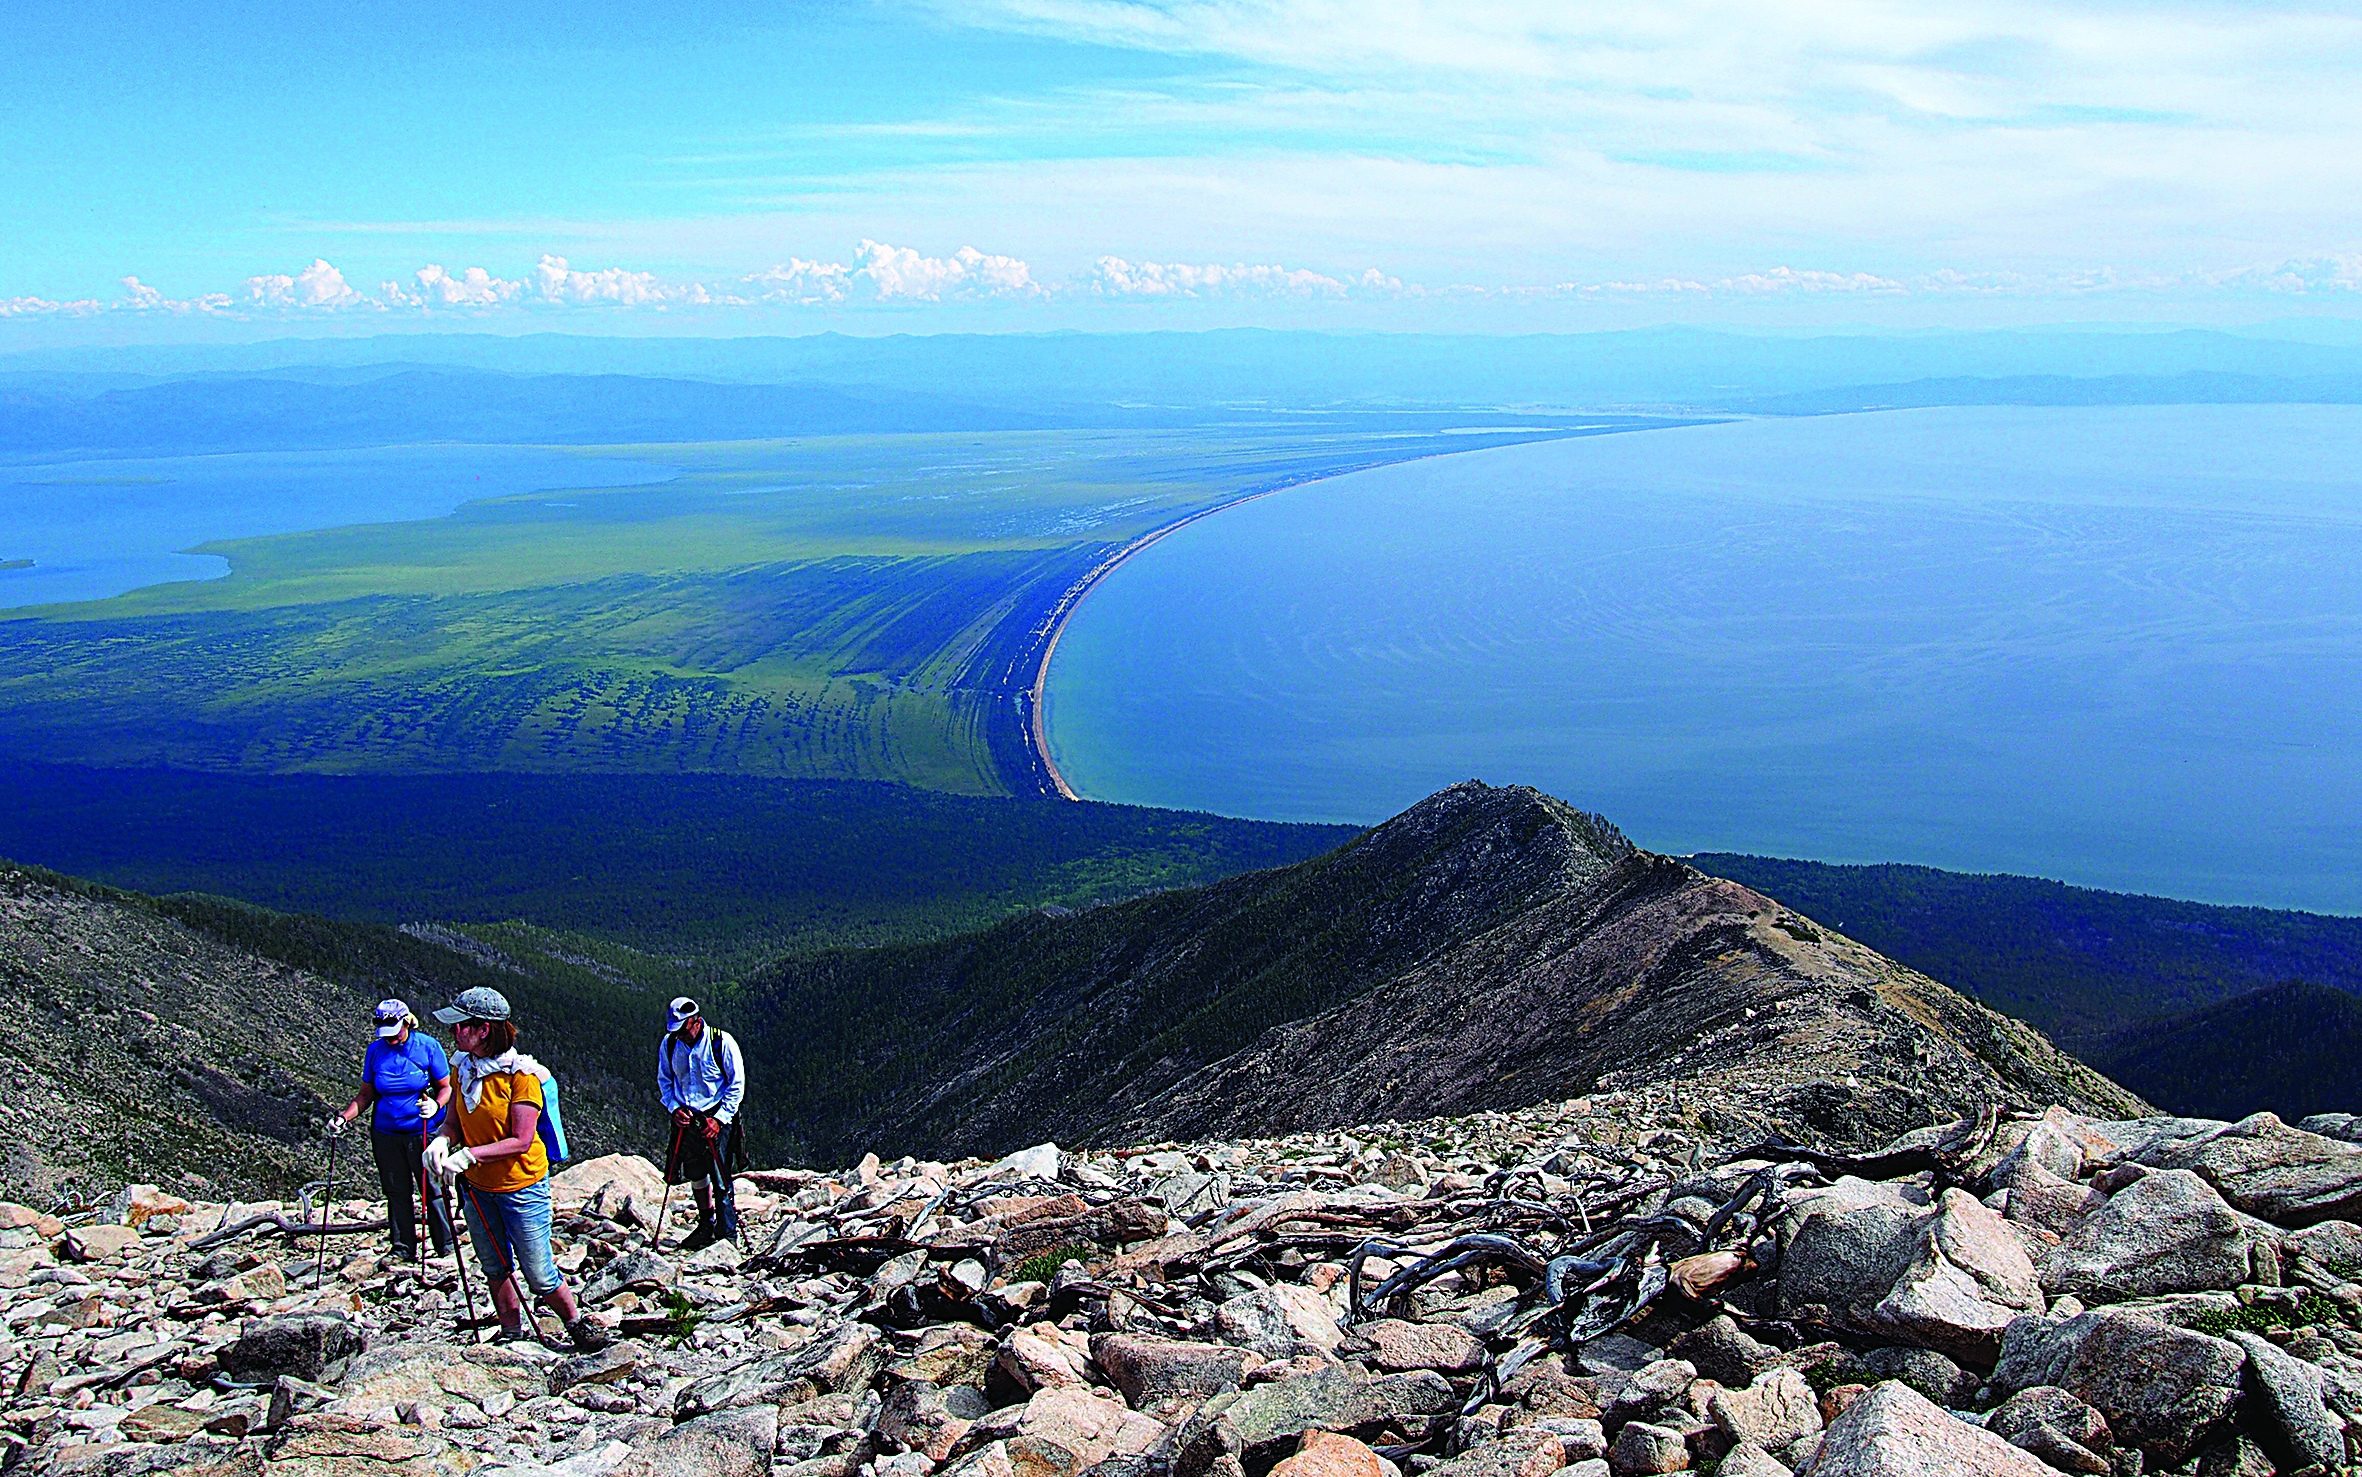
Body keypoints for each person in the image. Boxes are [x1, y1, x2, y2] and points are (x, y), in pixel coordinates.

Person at [424, 986, 608, 1351]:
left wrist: (469, 1155)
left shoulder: (522, 1076)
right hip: (478, 1187)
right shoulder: (463, 1070)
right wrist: (443, 1140)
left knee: (539, 1273)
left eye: (460, 1026)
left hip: (521, 1186)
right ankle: (512, 1333)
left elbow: (521, 1140)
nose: (453, 1032)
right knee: (494, 1266)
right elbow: (455, 1122)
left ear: (483, 1030)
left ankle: (575, 1324)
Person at [328, 1000, 453, 1263]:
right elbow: (365, 1095)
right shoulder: (375, 1052)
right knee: (396, 1190)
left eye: (395, 1032)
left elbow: (446, 1087)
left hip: (422, 1128)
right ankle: (402, 1248)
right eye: (386, 1034)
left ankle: (446, 1246)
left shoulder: (428, 1047)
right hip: (386, 1131)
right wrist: (344, 1118)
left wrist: (436, 1105)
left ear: (407, 1023)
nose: (392, 1039)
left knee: (431, 1187)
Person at [656, 996, 747, 1250]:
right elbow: (665, 1079)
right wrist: (674, 1108)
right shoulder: (670, 1043)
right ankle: (706, 1224)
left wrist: (720, 1119)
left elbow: (736, 1084)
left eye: (684, 1029)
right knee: (696, 1172)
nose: (681, 1035)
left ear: (696, 1021)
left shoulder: (721, 1042)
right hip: (687, 1117)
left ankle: (727, 1233)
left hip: (716, 1115)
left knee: (720, 1175)